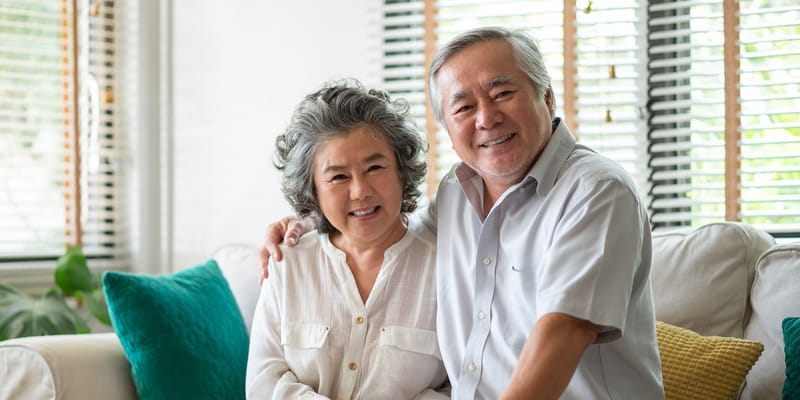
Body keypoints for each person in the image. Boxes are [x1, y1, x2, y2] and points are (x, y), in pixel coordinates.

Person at [261, 27, 664, 399]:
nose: (486, 118)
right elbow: (387, 225)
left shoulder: (596, 191)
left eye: (502, 93)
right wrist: (312, 220)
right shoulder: (457, 192)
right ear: (448, 129)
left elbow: (565, 332)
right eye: (464, 107)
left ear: (547, 96)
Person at [246, 79, 449, 399]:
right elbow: (263, 382)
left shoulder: (446, 269)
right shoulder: (288, 263)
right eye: (338, 176)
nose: (360, 191)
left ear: (402, 171)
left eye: (375, 167)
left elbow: (463, 383)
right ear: (312, 189)